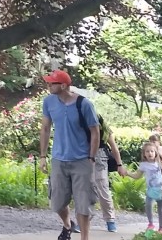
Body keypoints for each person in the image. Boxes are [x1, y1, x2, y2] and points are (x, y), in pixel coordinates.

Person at [39, 69, 100, 240]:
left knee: (83, 204)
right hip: (59, 159)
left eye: (52, 83)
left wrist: (91, 157)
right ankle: (67, 225)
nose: (48, 85)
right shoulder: (49, 102)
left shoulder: (84, 104)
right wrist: (43, 157)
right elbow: (45, 128)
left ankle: (84, 238)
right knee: (57, 201)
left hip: (82, 160)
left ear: (63, 85)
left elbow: (95, 131)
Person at [120, 142, 162, 233]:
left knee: (161, 210)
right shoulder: (143, 165)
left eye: (152, 151)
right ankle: (151, 224)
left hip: (161, 190)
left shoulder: (160, 163)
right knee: (148, 206)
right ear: (144, 154)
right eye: (147, 151)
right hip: (151, 190)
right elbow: (137, 176)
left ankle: (161, 228)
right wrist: (127, 173)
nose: (150, 153)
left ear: (155, 153)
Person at [93, 117, 123, 233]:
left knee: (102, 189)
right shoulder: (81, 127)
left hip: (100, 158)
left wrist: (119, 165)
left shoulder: (105, 130)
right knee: (85, 191)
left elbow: (114, 148)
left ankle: (110, 220)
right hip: (84, 158)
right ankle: (84, 220)